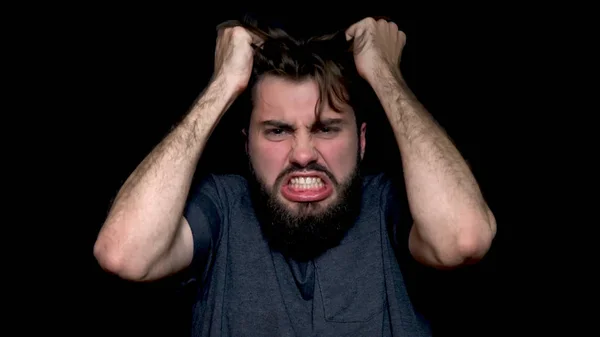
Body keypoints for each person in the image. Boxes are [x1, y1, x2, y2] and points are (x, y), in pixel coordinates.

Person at [94, 16, 497, 337]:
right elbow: (125, 254)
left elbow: (463, 238)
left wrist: (383, 73)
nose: (303, 154)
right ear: (246, 145)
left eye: (325, 128)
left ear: (361, 142)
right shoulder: (223, 206)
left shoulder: (387, 203)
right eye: (278, 130)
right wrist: (223, 85)